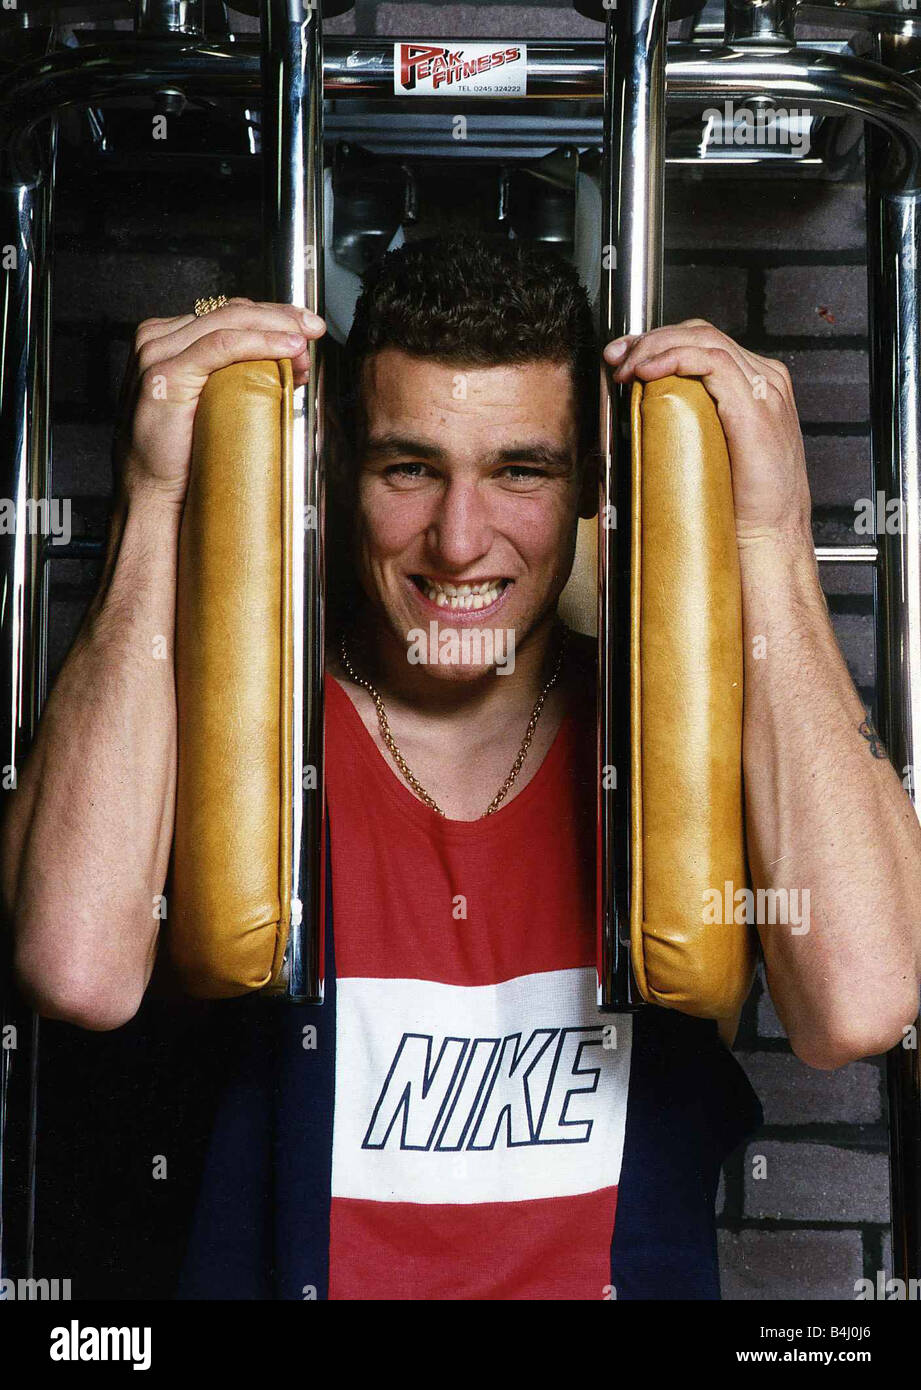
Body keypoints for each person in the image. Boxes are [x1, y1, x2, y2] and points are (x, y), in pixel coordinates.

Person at [2, 236, 920, 1301]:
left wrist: (770, 531)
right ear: (342, 465)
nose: (459, 539)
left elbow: (863, 1001)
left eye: (520, 469)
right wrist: (157, 501)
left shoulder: (674, 752)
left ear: (589, 481)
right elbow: (72, 968)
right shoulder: (236, 738)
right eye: (411, 468)